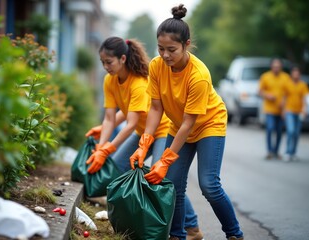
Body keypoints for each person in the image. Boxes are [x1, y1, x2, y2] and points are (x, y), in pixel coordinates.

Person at [129, 4, 243, 240]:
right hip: (177, 124)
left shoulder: (198, 75)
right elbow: (156, 107)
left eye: (172, 49)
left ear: (186, 45)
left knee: (209, 185)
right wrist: (144, 144)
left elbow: (189, 124)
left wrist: (165, 159)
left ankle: (234, 234)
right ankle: (178, 235)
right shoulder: (157, 66)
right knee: (173, 184)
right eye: (160, 48)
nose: (165, 55)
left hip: (208, 124)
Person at [85, 37, 169, 174]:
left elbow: (131, 124)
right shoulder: (109, 81)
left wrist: (107, 150)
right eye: (103, 62)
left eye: (109, 62)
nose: (105, 67)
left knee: (158, 179)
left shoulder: (138, 84)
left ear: (122, 59)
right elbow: (109, 119)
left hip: (163, 131)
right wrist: (100, 147)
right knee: (116, 169)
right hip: (142, 132)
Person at [259, 58, 290, 159]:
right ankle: (270, 151)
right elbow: (260, 91)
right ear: (271, 66)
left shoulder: (286, 77)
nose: (276, 68)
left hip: (281, 110)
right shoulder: (265, 77)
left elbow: (288, 93)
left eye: (278, 66)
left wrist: (284, 103)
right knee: (270, 128)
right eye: (274, 66)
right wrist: (268, 95)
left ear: (281, 67)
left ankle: (276, 151)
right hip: (269, 109)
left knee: (279, 131)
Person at [282, 66, 309, 161]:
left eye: (298, 73)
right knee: (291, 131)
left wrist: (305, 110)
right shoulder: (287, 84)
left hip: (299, 112)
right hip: (289, 110)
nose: (296, 75)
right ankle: (288, 152)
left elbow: (305, 99)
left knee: (297, 133)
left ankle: (293, 152)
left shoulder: (303, 85)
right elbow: (284, 98)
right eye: (294, 73)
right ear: (291, 74)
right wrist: (283, 110)